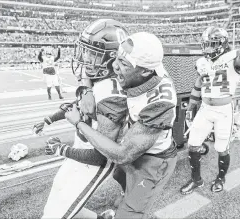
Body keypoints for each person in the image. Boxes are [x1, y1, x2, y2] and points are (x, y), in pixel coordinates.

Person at [62, 32, 178, 219]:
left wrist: (79, 123)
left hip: (154, 159)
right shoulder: (144, 59)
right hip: (135, 143)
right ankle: (130, 197)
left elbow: (123, 154)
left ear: (146, 72)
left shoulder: (159, 104)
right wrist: (88, 90)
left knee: (128, 213)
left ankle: (137, 209)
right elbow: (91, 62)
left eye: (123, 64)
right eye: (117, 57)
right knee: (119, 175)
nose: (114, 66)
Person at [34, 19, 129, 219]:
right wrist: (49, 119)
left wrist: (62, 149)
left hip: (93, 162)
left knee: (58, 214)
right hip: (79, 152)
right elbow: (76, 106)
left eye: (92, 53)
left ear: (112, 58)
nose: (84, 57)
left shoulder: (112, 97)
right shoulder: (96, 79)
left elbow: (100, 156)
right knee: (57, 199)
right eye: (84, 50)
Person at [180, 3, 240, 195]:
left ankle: (220, 178)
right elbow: (199, 84)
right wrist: (191, 106)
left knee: (222, 148)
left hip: (224, 111)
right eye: (206, 44)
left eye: (213, 44)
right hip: (205, 109)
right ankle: (196, 180)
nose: (208, 48)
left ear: (223, 44)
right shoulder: (203, 62)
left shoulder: (232, 59)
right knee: (193, 145)